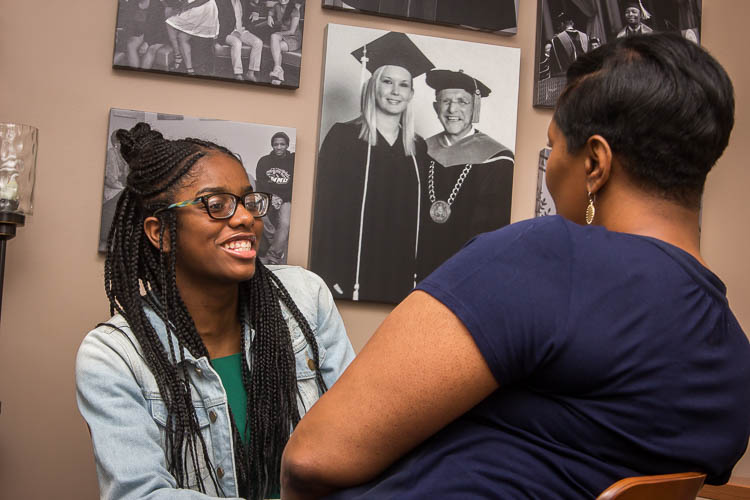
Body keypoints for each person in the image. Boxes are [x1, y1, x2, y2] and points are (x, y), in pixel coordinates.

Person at [281, 33, 750, 498]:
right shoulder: (731, 356)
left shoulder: (549, 255)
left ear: (594, 164)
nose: (550, 167)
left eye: (554, 147)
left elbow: (313, 457)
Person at [76, 123, 354, 500]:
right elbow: (140, 494)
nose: (245, 218)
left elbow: (358, 433)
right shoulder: (113, 356)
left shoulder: (306, 297)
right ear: (161, 233)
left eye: (248, 201)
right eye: (216, 204)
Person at [309, 31, 434, 304]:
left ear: (411, 94)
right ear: (373, 86)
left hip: (401, 275)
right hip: (350, 270)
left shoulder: (418, 148)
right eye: (387, 82)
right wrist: (328, 273)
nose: (395, 91)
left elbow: (423, 219)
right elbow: (323, 210)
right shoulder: (343, 137)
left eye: (403, 85)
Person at [417, 69, 515, 278]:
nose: (452, 109)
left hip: (469, 272)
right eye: (445, 101)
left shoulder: (499, 160)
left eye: (462, 101)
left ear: (475, 108)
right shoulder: (420, 151)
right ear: (436, 107)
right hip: (420, 268)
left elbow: (494, 232)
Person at [256, 131, 295, 265]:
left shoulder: (294, 162)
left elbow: (295, 185)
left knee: (285, 223)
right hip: (268, 196)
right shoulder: (264, 161)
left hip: (286, 198)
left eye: (282, 144)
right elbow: (261, 183)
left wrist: (282, 199)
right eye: (276, 144)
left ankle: (273, 257)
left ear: (287, 145)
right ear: (272, 145)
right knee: (259, 214)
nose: (279, 147)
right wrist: (272, 198)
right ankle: (275, 240)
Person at [165, 0, 220, 74]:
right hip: (197, 9)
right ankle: (189, 69)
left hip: (203, 9)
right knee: (182, 37)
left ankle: (178, 57)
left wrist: (186, 6)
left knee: (170, 23)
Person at [215, 0, 264, 81]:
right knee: (237, 42)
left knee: (258, 42)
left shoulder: (244, 1)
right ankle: (238, 73)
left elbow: (256, 4)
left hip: (241, 30)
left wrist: (255, 12)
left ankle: (250, 73)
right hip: (227, 32)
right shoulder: (221, 1)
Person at [119, 0, 169, 69]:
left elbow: (156, 27)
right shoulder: (132, 3)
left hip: (158, 34)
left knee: (150, 50)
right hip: (141, 32)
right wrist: (134, 36)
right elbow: (129, 23)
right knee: (130, 45)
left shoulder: (157, 4)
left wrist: (147, 42)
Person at [267, 0, 304, 84]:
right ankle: (278, 73)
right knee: (276, 46)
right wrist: (269, 16)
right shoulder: (277, 6)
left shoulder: (295, 10)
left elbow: (292, 31)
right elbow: (271, 11)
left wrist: (278, 33)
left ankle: (277, 70)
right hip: (282, 37)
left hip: (294, 39)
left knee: (274, 38)